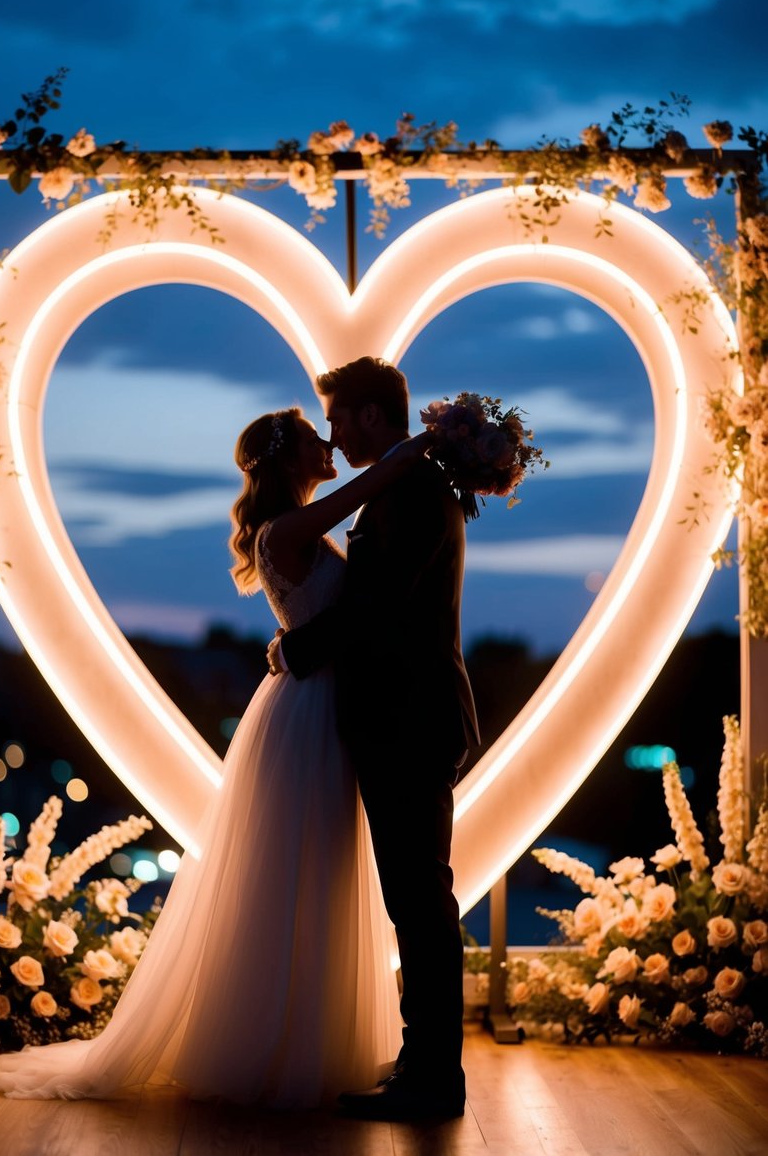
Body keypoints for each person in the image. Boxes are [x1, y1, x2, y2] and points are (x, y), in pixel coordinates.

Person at [0, 406, 432, 1106]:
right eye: (316, 438)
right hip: (307, 716)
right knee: (297, 868)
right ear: (287, 462)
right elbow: (357, 500)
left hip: (317, 705)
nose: (329, 442)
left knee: (319, 868)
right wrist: (417, 452)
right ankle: (278, 1046)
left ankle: (309, 1040)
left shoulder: (287, 527)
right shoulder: (286, 528)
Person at [268, 357, 481, 1122]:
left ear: (366, 415)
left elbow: (379, 603)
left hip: (410, 719)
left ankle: (431, 1079)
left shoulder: (414, 493)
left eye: (336, 418)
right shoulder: (402, 489)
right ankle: (422, 1064)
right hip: (401, 717)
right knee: (414, 900)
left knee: (420, 902)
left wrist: (297, 648)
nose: (329, 433)